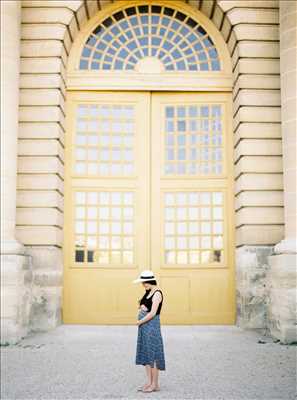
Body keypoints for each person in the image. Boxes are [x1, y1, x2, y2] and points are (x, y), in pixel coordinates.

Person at [132, 270, 166, 393]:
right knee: (146, 354)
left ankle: (155, 384)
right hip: (144, 327)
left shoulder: (157, 293)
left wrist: (140, 321)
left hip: (151, 327)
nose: (143, 284)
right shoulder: (147, 292)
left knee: (153, 354)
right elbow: (145, 307)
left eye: (144, 282)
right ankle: (149, 382)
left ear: (150, 281)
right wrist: (141, 308)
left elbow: (153, 313)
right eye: (142, 282)